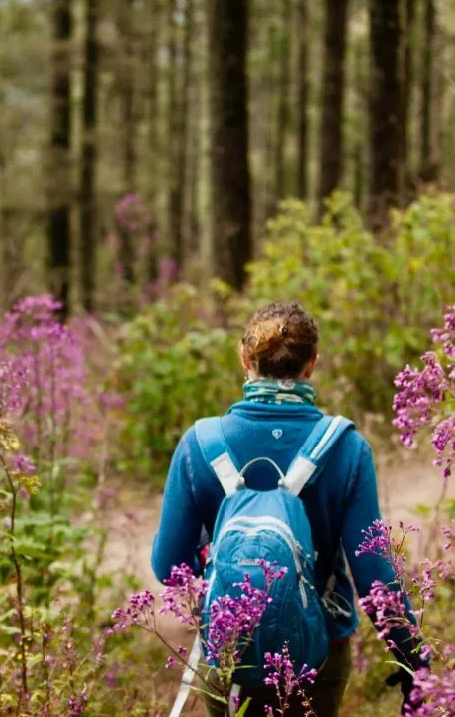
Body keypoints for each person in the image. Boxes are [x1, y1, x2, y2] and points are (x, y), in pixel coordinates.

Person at [150, 301, 426, 717]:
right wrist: (413, 660)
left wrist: (222, 556)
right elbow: (375, 580)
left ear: (245, 358)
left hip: (230, 650)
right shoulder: (347, 449)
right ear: (311, 364)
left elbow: (168, 565)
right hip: (319, 653)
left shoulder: (198, 445)